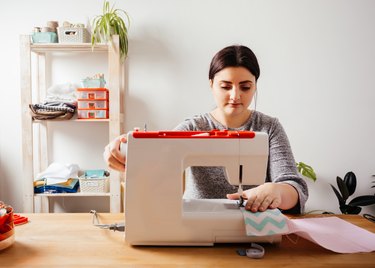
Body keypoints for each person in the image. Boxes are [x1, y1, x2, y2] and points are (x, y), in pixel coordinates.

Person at [103, 45, 308, 214]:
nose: (235, 96)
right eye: (225, 86)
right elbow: (156, 160)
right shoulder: (193, 127)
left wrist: (277, 191)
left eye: (245, 87)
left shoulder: (269, 128)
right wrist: (125, 150)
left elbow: (295, 188)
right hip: (193, 223)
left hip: (255, 225)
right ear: (211, 84)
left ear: (255, 86)